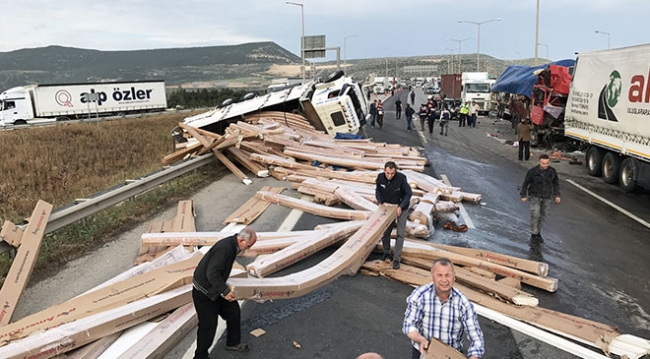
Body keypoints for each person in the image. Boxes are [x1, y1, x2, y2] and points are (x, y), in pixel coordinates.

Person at [192, 227, 258, 357]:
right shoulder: (225, 248)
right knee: (208, 327)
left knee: (233, 312)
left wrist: (223, 290)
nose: (248, 249)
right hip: (204, 292)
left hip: (215, 288)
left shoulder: (233, 246)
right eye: (249, 246)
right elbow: (212, 273)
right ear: (241, 239)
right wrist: (225, 291)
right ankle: (200, 356)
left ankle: (232, 343)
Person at [403, 258, 485, 359]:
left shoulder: (463, 303)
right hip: (423, 352)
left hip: (450, 355)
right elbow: (409, 325)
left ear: (454, 276)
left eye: (448, 275)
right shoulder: (420, 296)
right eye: (439, 275)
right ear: (432, 276)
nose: (444, 280)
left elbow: (477, 339)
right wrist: (421, 340)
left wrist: (474, 356)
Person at [375, 161, 412, 269]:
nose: (390, 176)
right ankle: (387, 252)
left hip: (401, 206)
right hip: (388, 206)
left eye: (392, 173)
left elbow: (408, 193)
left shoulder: (401, 179)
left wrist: (401, 206)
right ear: (384, 171)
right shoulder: (380, 178)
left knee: (400, 234)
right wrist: (380, 202)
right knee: (386, 231)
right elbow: (378, 190)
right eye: (387, 173)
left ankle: (396, 259)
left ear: (395, 171)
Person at [520, 154, 561, 242]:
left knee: (542, 215)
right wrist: (523, 195)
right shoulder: (532, 172)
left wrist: (557, 195)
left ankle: (538, 232)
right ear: (539, 162)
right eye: (543, 163)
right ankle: (534, 233)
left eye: (547, 163)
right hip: (535, 195)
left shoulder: (552, 172)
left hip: (547, 197)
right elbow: (525, 183)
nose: (545, 165)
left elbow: (555, 183)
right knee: (535, 214)